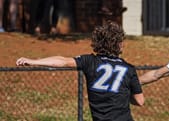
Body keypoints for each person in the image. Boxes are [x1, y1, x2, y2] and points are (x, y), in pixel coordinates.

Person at [16, 21, 144, 121]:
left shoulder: (89, 61)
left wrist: (33, 61)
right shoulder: (128, 69)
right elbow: (140, 101)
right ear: (119, 44)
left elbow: (62, 61)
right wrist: (126, 94)